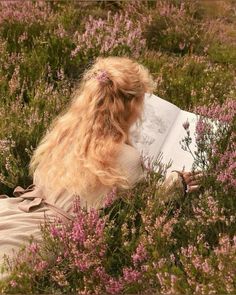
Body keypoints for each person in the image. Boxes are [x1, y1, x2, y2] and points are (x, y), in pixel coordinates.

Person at [0, 56, 201, 277]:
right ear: (131, 106)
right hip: (44, 236)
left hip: (14, 212)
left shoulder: (65, 133)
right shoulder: (126, 157)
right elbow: (142, 211)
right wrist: (176, 183)